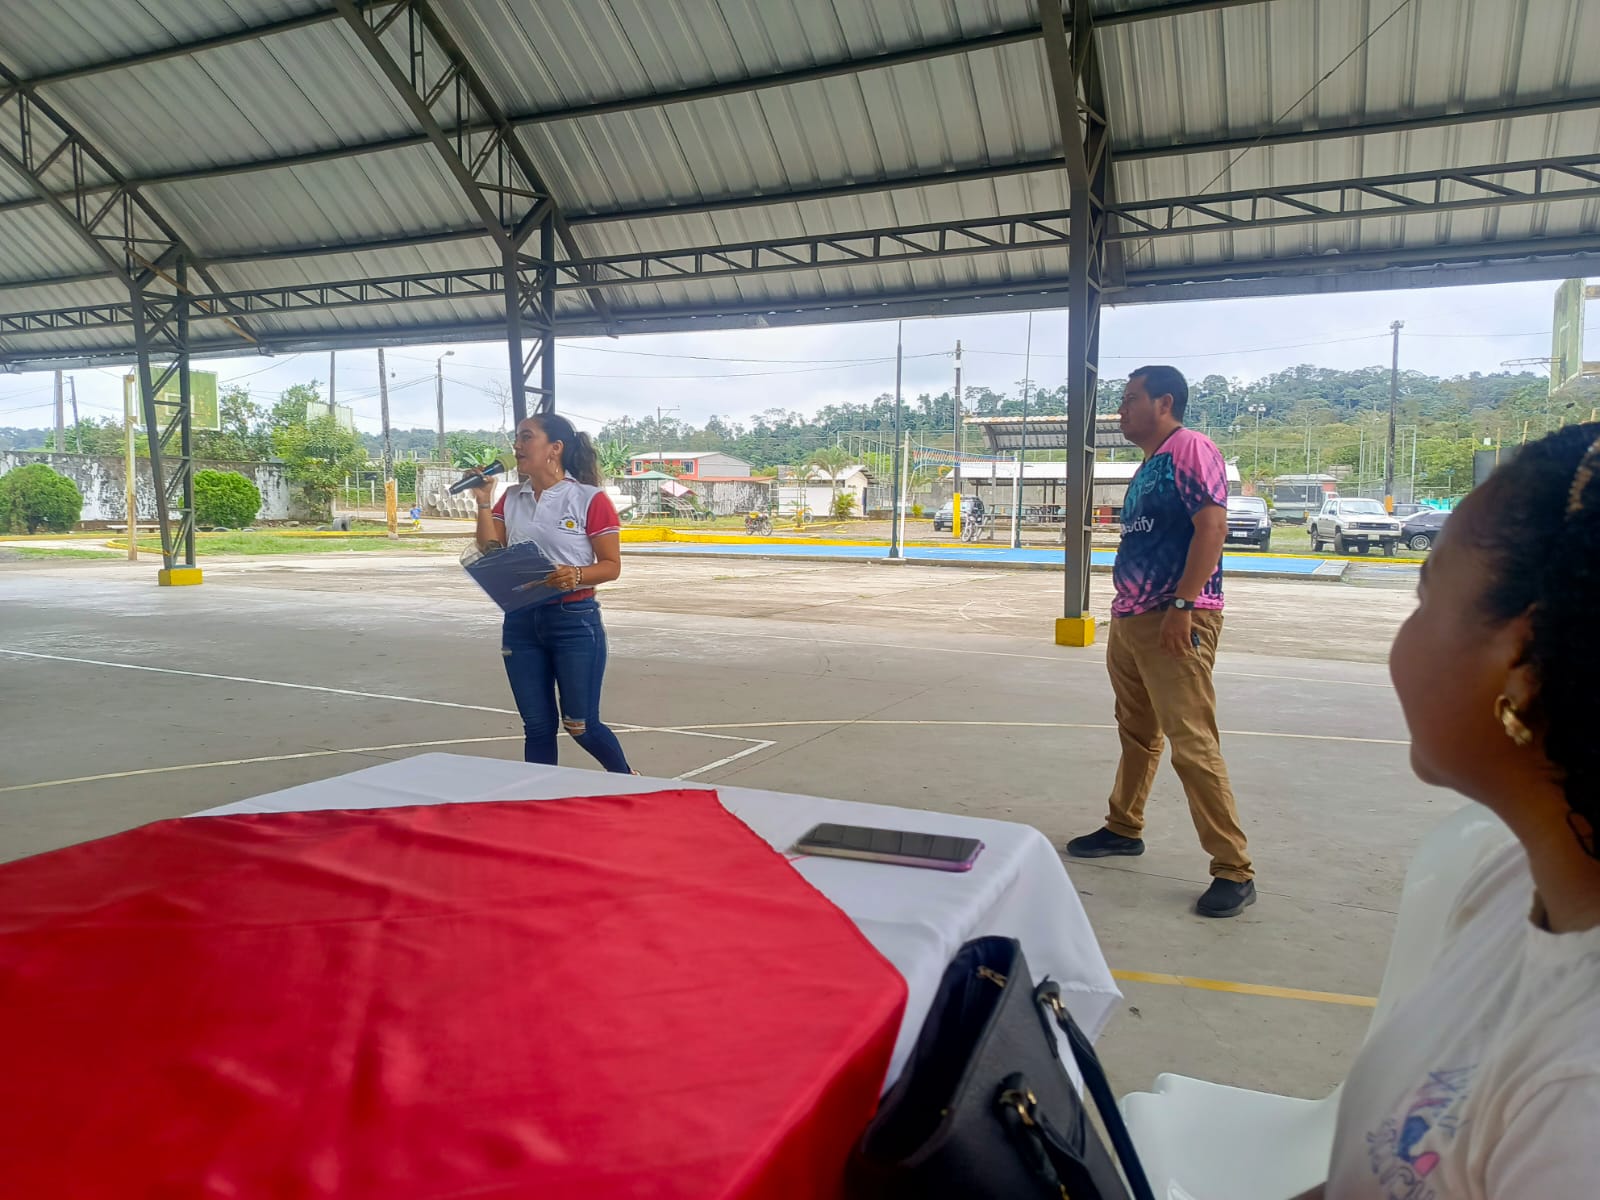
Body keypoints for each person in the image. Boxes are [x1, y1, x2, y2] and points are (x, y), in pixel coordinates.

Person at [1294, 424, 1600, 1199]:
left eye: (1425, 597)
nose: (1405, 636)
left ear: (1522, 665)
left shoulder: (1580, 1105)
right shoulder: (1517, 882)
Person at [1065, 365, 1254, 918]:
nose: (1121, 410)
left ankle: (1234, 868)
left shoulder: (1191, 449)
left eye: (1131, 399)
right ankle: (1124, 826)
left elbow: (1212, 527)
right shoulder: (1150, 463)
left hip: (1173, 618)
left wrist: (1183, 605)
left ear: (1164, 403)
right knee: (1137, 733)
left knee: (1191, 742)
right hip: (1132, 619)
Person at [469, 411, 633, 774]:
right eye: (516, 437)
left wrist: (576, 574)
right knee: (538, 726)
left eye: (527, 437)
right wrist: (483, 500)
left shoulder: (588, 499)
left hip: (573, 620)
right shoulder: (511, 497)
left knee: (581, 724)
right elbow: (489, 549)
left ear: (554, 448)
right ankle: (540, 797)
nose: (517, 445)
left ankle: (628, 781)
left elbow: (611, 566)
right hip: (521, 621)